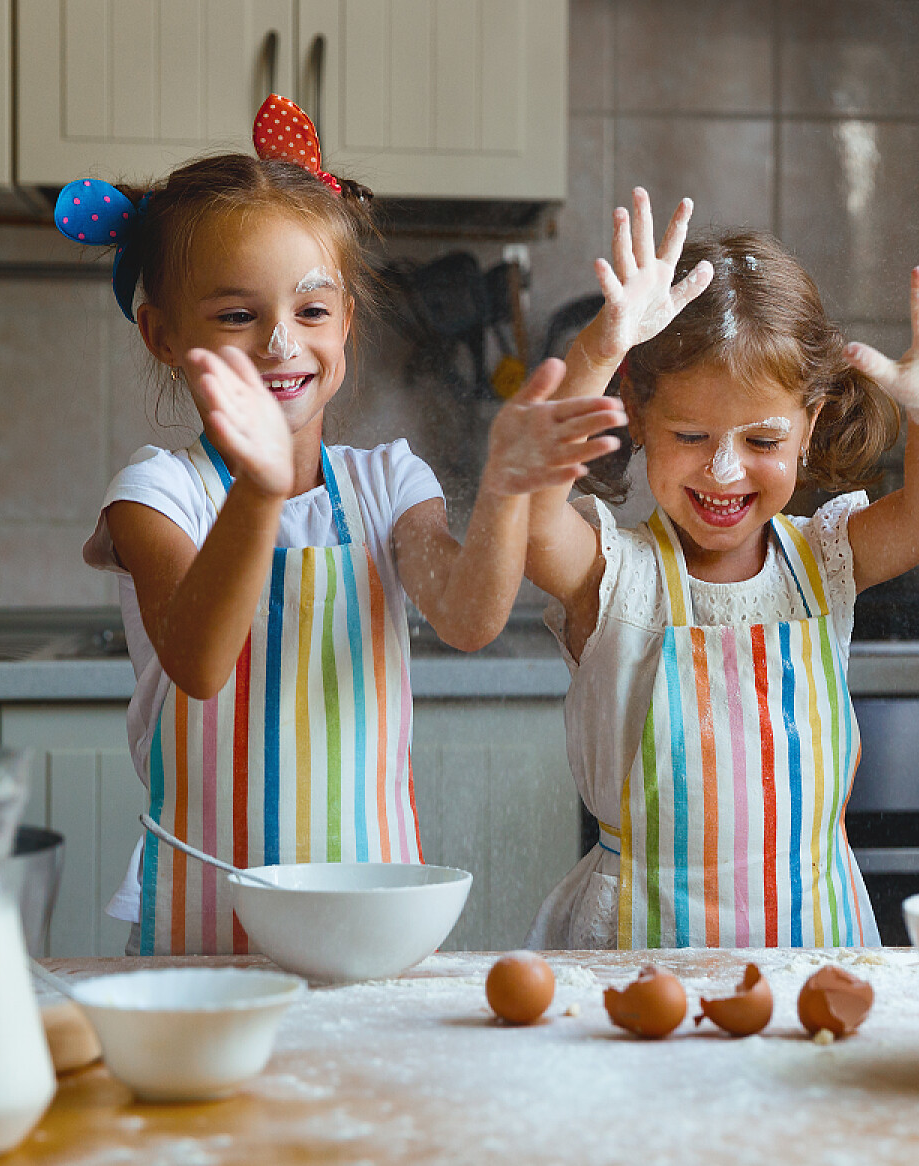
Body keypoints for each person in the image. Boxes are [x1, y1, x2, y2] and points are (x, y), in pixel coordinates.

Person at [73, 97, 623, 953]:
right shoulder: (159, 494)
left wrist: (509, 489)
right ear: (162, 335)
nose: (280, 343)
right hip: (206, 921)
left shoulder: (383, 483)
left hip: (368, 915)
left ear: (347, 324)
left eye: (311, 311)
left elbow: (469, 618)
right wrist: (256, 490)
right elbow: (199, 661)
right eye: (235, 315)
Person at [524, 190, 919, 948]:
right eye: (690, 434)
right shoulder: (615, 574)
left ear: (810, 425)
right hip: (636, 942)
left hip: (813, 933)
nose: (724, 470)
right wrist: (597, 351)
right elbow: (531, 519)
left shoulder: (821, 560)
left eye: (760, 440)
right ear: (639, 415)